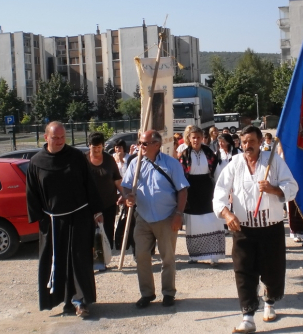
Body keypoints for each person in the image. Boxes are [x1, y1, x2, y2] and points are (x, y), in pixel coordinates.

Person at [213, 125, 298, 334]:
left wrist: (274, 189)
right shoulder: (234, 163)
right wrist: (227, 214)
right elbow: (220, 192)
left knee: (272, 270)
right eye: (244, 142)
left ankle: (269, 302)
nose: (247, 146)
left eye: (251, 141)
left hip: (270, 227)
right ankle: (248, 317)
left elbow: (293, 187)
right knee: (243, 271)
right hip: (243, 229)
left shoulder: (273, 161)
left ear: (260, 142)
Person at [26, 121, 103, 317]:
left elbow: (89, 185)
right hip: (52, 221)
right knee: (55, 261)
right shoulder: (36, 162)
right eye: (55, 138)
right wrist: (41, 220)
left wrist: (96, 211)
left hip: (79, 217)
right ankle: (58, 299)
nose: (60, 141)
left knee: (78, 260)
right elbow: (32, 194)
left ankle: (81, 301)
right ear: (46, 138)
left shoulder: (76, 157)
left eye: (62, 137)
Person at [121, 130, 189, 308]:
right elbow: (126, 186)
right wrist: (128, 196)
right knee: (141, 256)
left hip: (166, 217)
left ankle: (168, 293)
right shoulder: (135, 164)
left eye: (144, 143)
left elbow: (182, 190)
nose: (140, 147)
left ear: (157, 145)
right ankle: (147, 293)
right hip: (142, 217)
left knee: (167, 258)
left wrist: (178, 215)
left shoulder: (171, 164)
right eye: (140, 142)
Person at [179, 126, 225, 265]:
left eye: (198, 137)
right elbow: (181, 175)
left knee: (212, 219)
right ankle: (195, 255)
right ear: (189, 138)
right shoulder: (185, 154)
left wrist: (220, 189)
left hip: (207, 188)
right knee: (194, 222)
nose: (196, 140)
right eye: (193, 137)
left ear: (202, 138)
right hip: (191, 190)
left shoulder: (209, 153)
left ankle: (214, 256)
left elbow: (217, 172)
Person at [87, 132, 124, 250]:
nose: (97, 150)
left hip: (108, 204)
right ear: (89, 146)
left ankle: (104, 260)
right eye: (94, 147)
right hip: (89, 205)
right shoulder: (83, 160)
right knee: (90, 234)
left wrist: (125, 195)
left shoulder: (109, 160)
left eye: (99, 147)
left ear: (103, 146)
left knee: (107, 232)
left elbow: (117, 180)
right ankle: (91, 260)